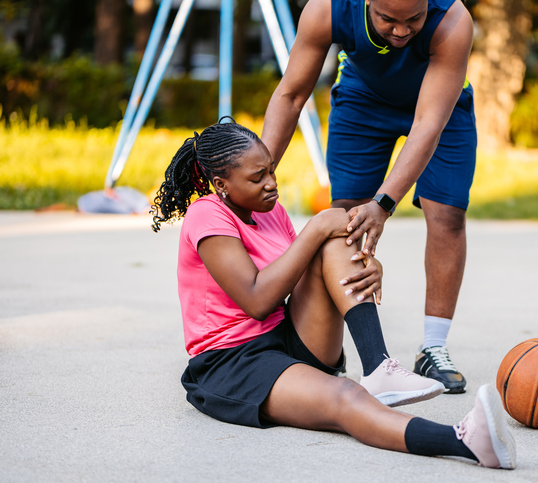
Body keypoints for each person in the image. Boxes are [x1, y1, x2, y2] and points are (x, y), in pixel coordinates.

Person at [150, 119, 515, 469]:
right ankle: (465, 441)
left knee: (334, 236)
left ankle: (378, 367)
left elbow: (300, 274)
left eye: (272, 170)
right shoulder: (206, 216)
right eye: (257, 177)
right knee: (346, 396)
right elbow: (258, 300)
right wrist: (318, 226)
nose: (271, 184)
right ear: (221, 184)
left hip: (287, 337)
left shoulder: (269, 209)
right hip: (234, 363)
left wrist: (365, 263)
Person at [261, 0, 477, 393]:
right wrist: (257, 176)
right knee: (343, 223)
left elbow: (428, 123)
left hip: (442, 108)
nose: (400, 31)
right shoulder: (327, 10)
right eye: (387, 19)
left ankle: (433, 347)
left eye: (413, 19)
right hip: (363, 98)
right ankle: (325, 348)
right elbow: (291, 95)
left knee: (448, 216)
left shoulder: (453, 20)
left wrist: (384, 204)